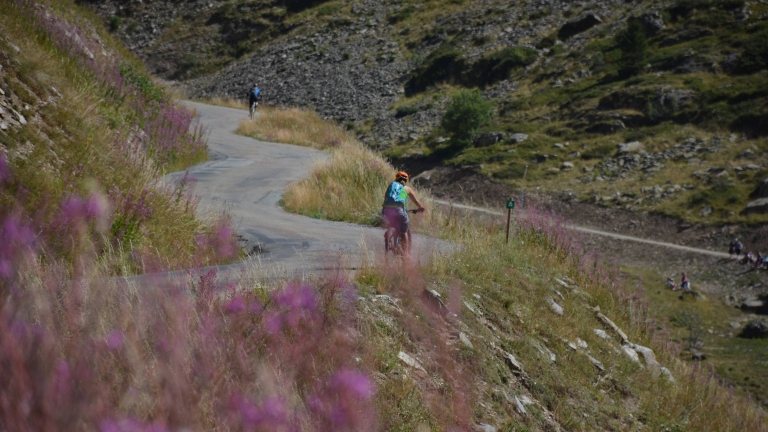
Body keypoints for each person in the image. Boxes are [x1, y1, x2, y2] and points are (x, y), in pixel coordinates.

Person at [382, 171, 424, 253]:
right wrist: (420, 207)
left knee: (391, 220)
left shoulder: (391, 185)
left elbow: (386, 197)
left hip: (387, 209)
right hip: (399, 210)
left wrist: (385, 207)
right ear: (406, 180)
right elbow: (415, 201)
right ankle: (406, 255)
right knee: (403, 231)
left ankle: (389, 232)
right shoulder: (407, 189)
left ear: (396, 178)